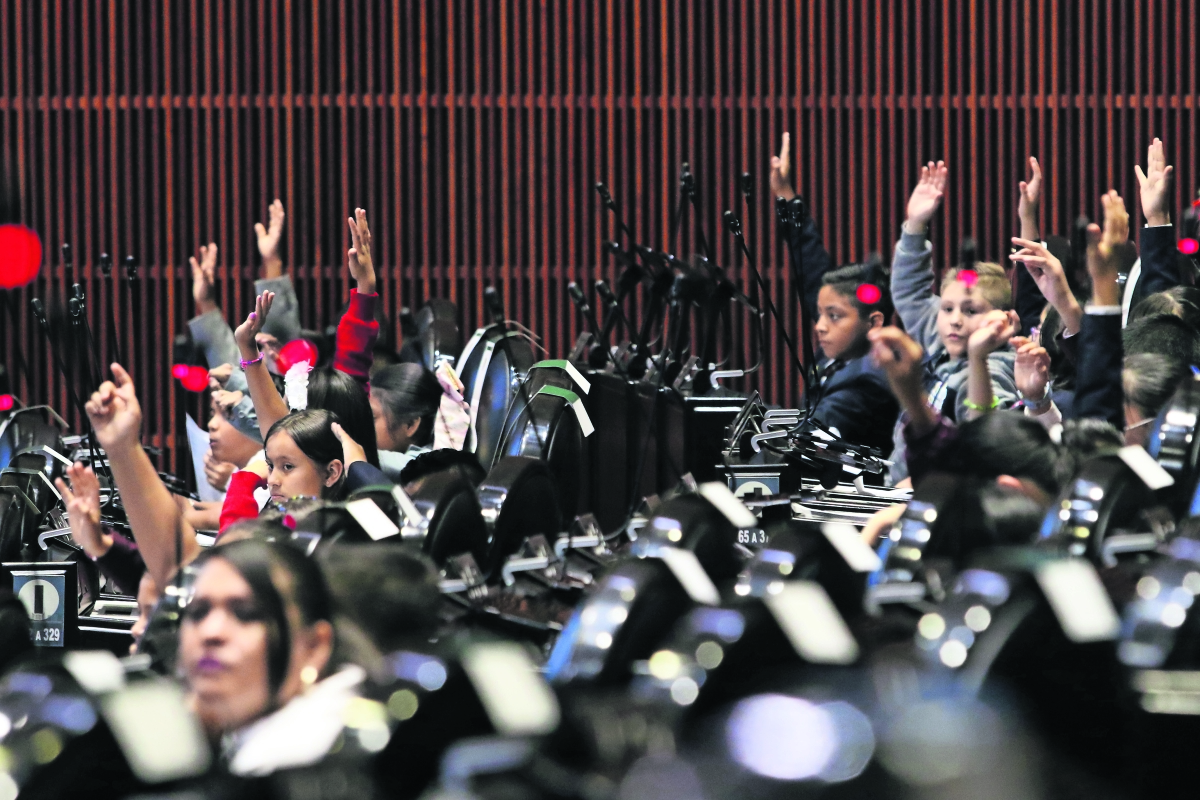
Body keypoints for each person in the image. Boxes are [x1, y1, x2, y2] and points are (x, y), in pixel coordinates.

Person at [179, 538, 365, 776]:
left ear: (314, 647)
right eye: (198, 612)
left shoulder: (287, 762)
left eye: (246, 614)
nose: (211, 632)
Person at [887, 160, 1018, 482]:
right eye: (947, 308)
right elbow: (910, 291)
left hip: (939, 500)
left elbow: (987, 448)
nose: (955, 320)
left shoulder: (993, 370)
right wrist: (915, 226)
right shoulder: (941, 339)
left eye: (971, 311)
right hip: (898, 490)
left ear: (1000, 319)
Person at [768, 133, 900, 453]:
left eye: (834, 316)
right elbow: (812, 270)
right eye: (821, 313)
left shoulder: (868, 381)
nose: (820, 325)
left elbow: (812, 437)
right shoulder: (844, 349)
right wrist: (786, 195)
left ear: (874, 322)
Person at [218, 410, 385, 532]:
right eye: (270, 465)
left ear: (331, 473)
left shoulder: (350, 533)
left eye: (287, 466)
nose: (272, 480)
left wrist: (357, 467)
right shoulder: (280, 523)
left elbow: (233, 552)